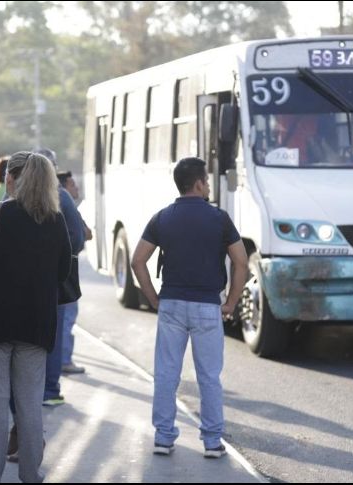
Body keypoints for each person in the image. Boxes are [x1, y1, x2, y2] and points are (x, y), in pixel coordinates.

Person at [0, 151, 71, 483]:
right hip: (36, 323)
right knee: (30, 403)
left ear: (10, 179)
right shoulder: (55, 219)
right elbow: (63, 270)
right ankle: (30, 474)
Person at [131, 157, 248, 458]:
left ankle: (163, 437)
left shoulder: (162, 217)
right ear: (198, 183)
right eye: (207, 181)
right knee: (209, 376)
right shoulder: (219, 218)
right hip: (207, 306)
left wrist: (153, 298)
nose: (208, 185)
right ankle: (211, 441)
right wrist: (232, 302)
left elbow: (138, 260)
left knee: (167, 373)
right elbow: (241, 261)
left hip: (171, 304)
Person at [37, 149, 85, 407]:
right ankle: (50, 389)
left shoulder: (19, 196)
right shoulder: (61, 196)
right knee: (53, 335)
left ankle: (31, 390)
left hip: (27, 280)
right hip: (57, 280)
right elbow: (76, 238)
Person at [57, 170, 92, 375]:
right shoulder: (65, 201)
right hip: (66, 272)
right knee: (66, 318)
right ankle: (63, 361)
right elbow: (84, 234)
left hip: (61, 270)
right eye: (72, 184)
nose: (76, 188)